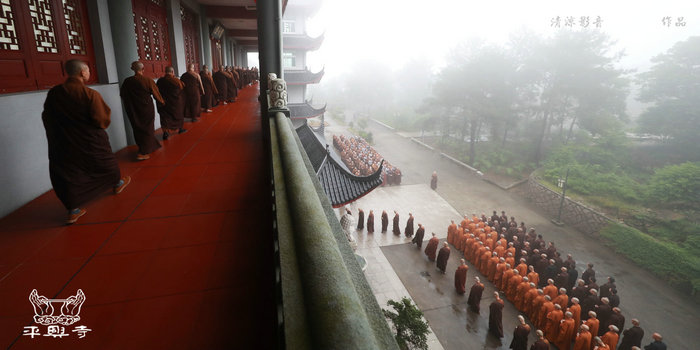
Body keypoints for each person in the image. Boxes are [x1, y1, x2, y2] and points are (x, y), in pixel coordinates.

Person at [41, 59, 131, 224]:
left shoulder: (54, 93)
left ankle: (72, 210)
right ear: (82, 73)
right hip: (89, 140)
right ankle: (117, 183)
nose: (89, 73)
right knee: (104, 162)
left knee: (69, 172)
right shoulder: (89, 94)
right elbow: (102, 120)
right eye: (88, 70)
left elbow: (46, 117)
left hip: (63, 142)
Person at [120, 61, 164, 160]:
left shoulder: (127, 81)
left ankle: (149, 145)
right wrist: (162, 102)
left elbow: (122, 94)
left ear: (132, 69)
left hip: (133, 109)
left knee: (137, 128)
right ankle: (143, 152)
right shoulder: (147, 80)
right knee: (148, 127)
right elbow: (156, 93)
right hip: (146, 108)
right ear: (143, 69)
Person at [156, 66, 187, 140]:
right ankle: (180, 129)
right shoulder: (176, 80)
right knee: (178, 115)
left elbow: (157, 90)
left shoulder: (160, 81)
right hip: (175, 103)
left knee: (165, 118)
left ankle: (165, 133)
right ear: (173, 72)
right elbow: (183, 87)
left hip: (164, 103)